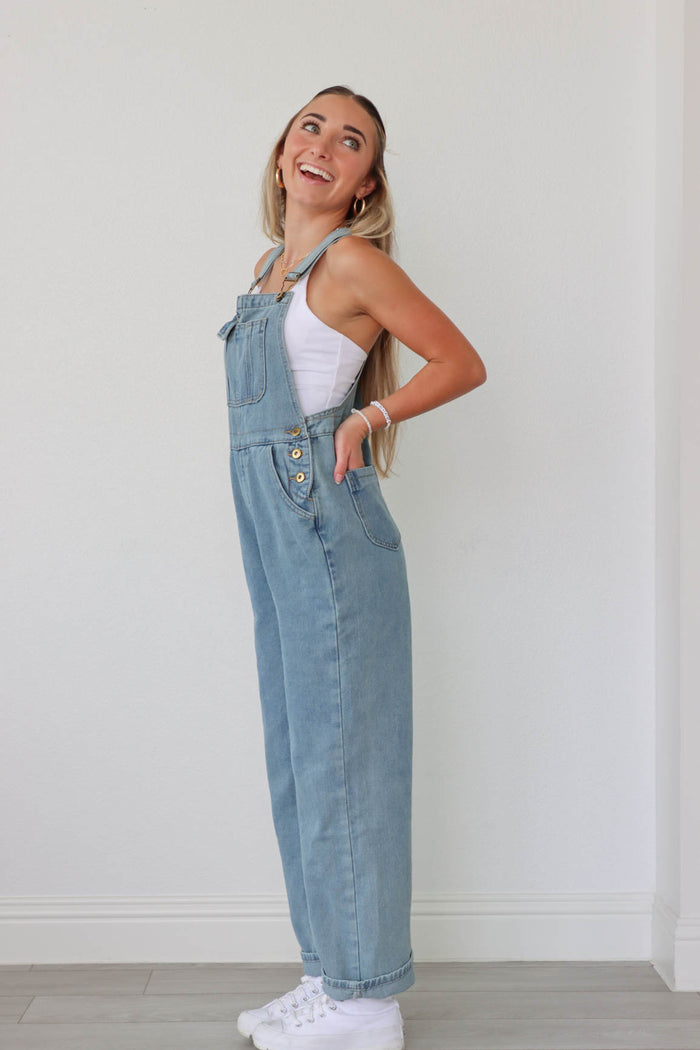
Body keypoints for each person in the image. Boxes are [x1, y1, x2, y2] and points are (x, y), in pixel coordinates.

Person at [218, 85, 487, 1050]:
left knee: (346, 758)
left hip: (326, 518)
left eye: (351, 141)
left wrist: (371, 419)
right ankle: (330, 975)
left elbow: (459, 361)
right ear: (285, 148)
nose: (323, 146)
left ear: (366, 180)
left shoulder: (354, 261)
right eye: (311, 127)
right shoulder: (268, 270)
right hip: (274, 519)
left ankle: (369, 1003)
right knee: (300, 753)